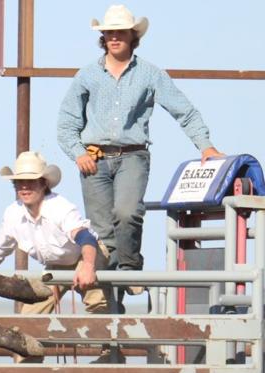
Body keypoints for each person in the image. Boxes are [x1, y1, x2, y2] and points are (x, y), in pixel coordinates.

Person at [57, 4, 223, 288]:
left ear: (133, 36)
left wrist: (205, 146)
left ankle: (132, 270)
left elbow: (185, 111)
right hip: (94, 158)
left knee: (127, 212)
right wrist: (78, 153)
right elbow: (66, 123)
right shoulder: (86, 75)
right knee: (101, 233)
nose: (114, 37)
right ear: (103, 37)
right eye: (109, 32)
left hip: (132, 154)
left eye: (120, 31)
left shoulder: (150, 74)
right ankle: (110, 300)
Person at [0, 152, 109, 373]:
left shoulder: (59, 208)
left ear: (43, 184)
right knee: (28, 324)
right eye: (20, 183)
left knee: (98, 302)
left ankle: (111, 358)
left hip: (83, 256)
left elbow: (85, 238)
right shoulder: (13, 214)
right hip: (55, 266)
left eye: (31, 181)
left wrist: (89, 265)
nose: (25, 187)